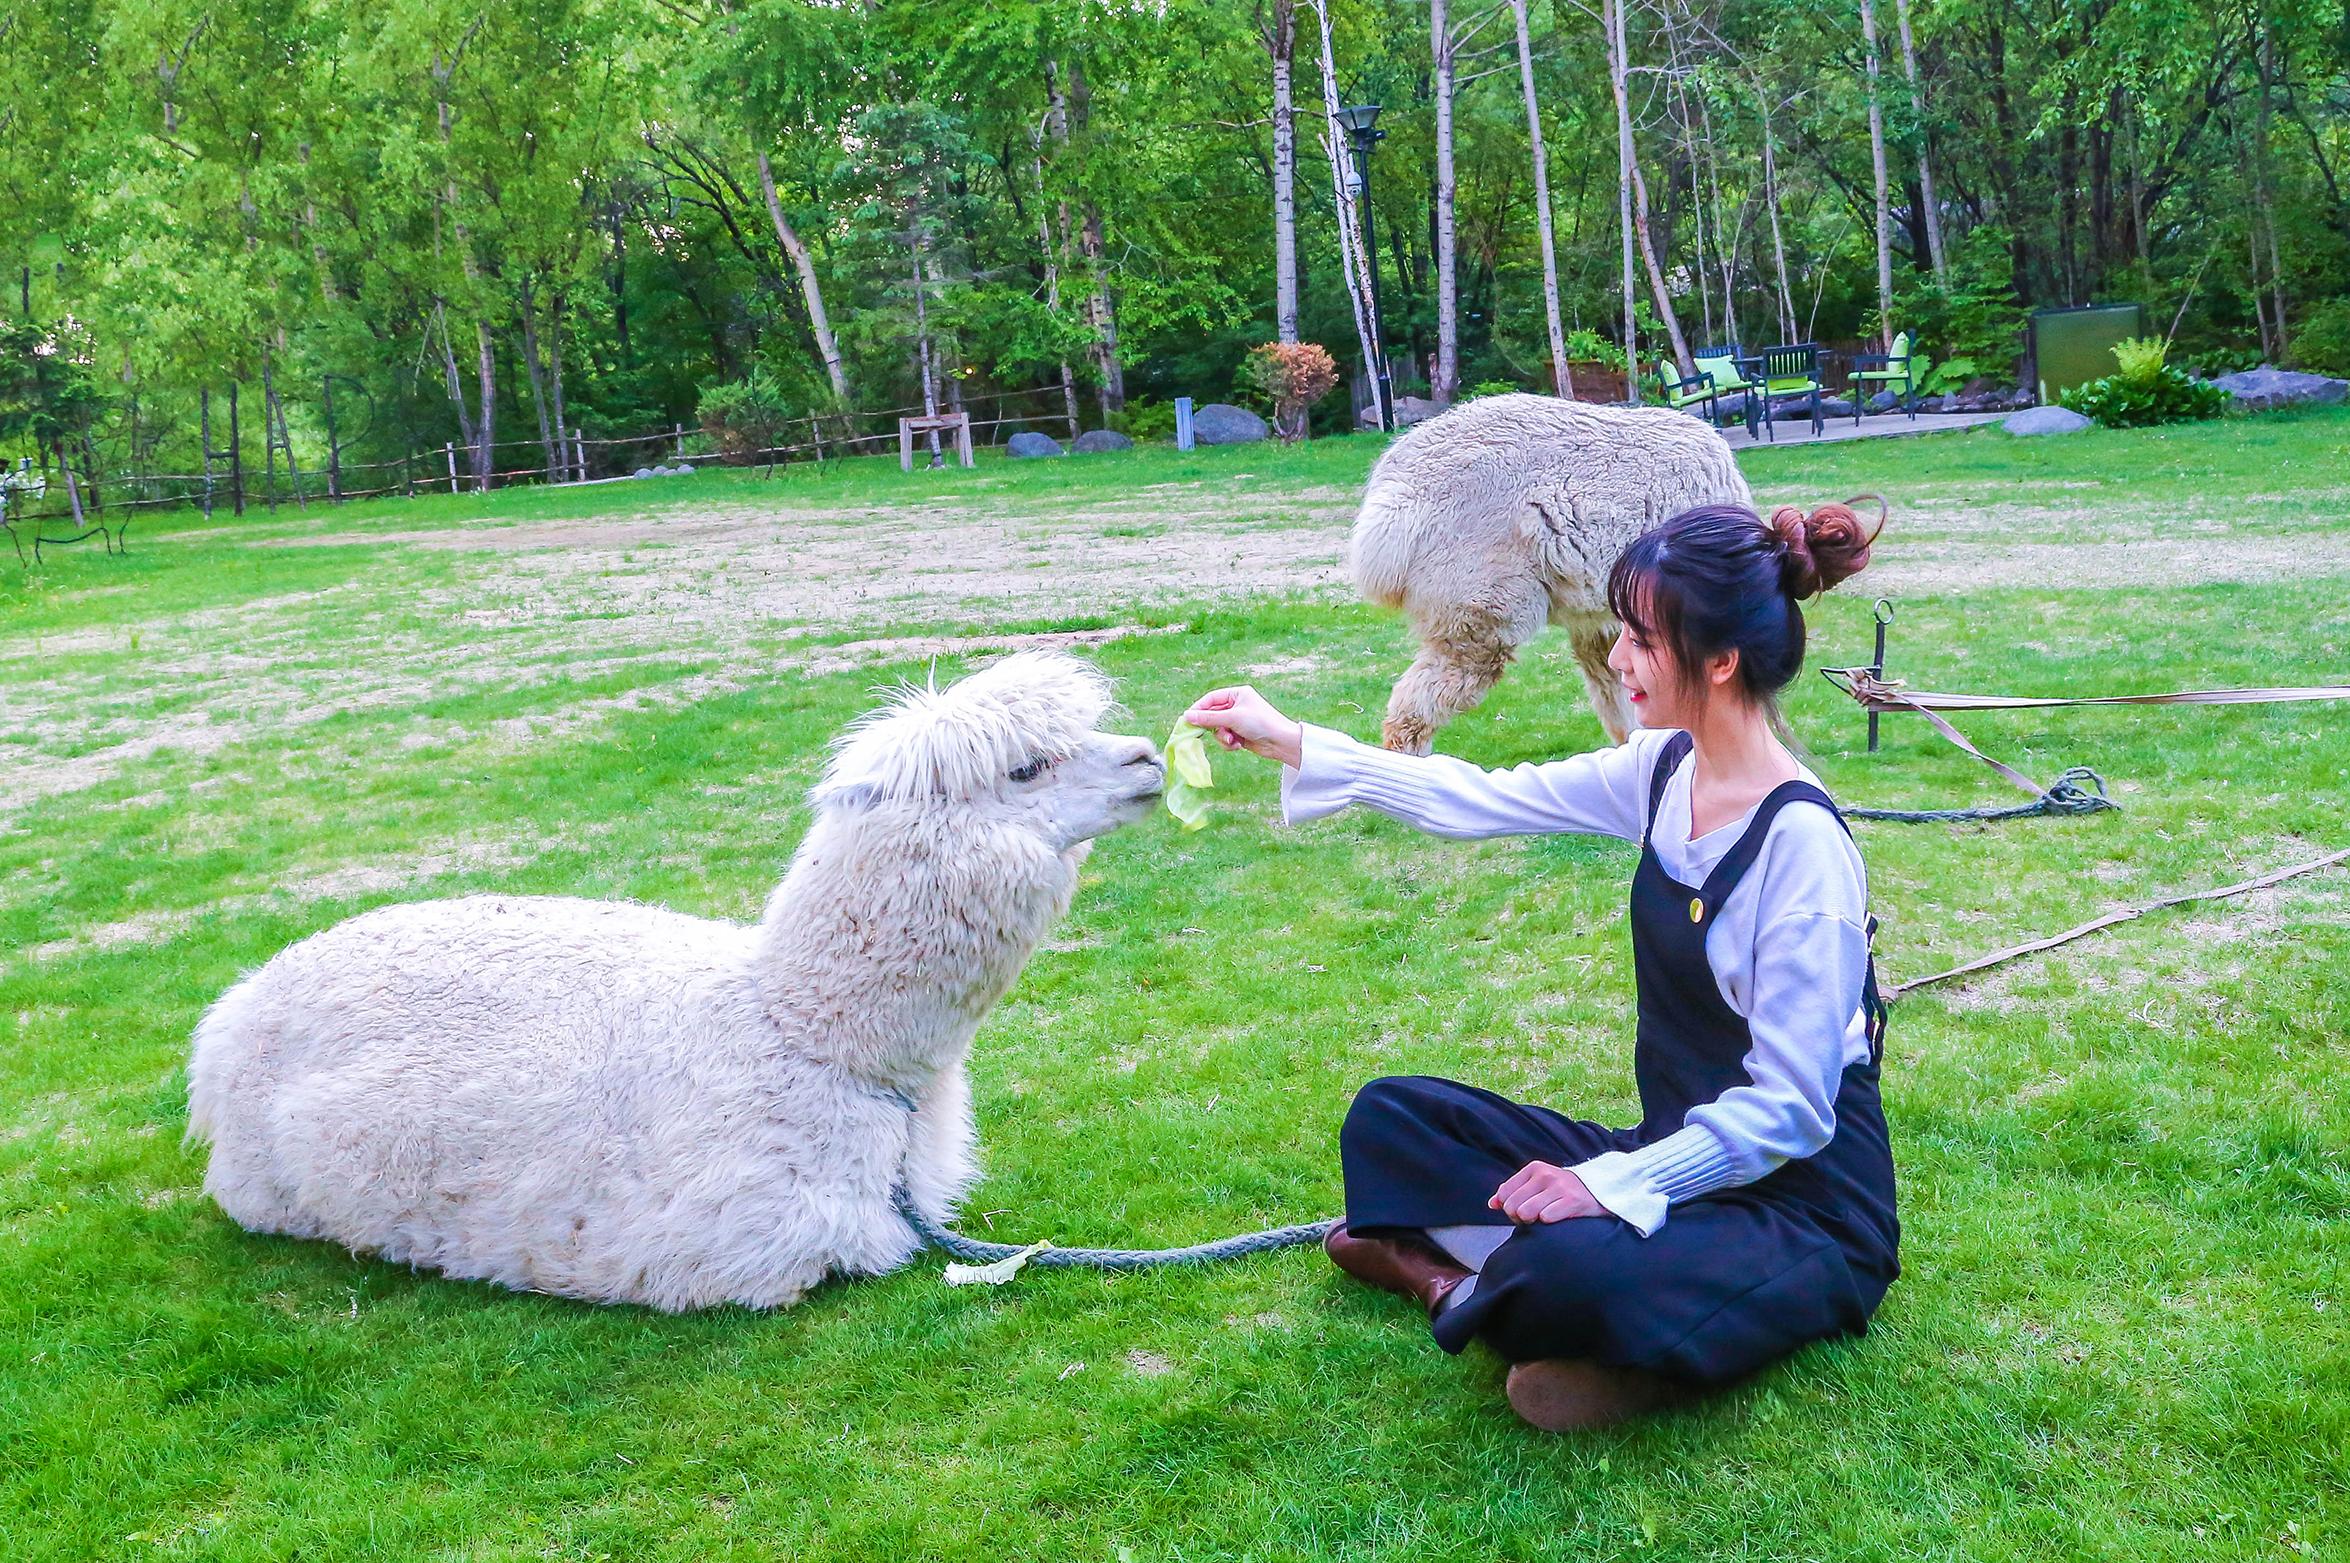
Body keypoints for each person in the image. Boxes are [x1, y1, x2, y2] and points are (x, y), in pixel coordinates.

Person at [1182, 500, 1896, 1433]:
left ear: (1719, 661)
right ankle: (1522, 1293)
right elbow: (1482, 798)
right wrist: (1299, 742)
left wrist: (1604, 1186)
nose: (1618, 658)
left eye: (1641, 637)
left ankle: (1459, 1282)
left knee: (1569, 1268)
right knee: (1393, 1116)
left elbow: (1794, 1110)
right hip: (1673, 1155)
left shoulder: (1801, 849)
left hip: (1800, 1209)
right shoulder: (1661, 770)